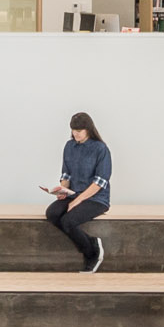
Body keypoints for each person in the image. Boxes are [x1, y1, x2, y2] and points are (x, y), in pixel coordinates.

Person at [43, 113, 111, 271]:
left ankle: (91, 252)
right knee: (52, 213)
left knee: (68, 220)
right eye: (73, 130)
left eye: (79, 130)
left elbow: (100, 182)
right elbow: (66, 175)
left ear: (88, 129)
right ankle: (90, 243)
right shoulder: (69, 146)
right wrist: (62, 190)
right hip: (73, 193)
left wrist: (77, 200)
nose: (76, 134)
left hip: (95, 198)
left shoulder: (100, 149)